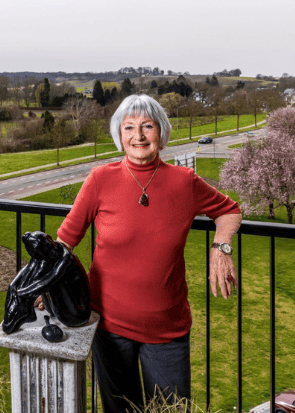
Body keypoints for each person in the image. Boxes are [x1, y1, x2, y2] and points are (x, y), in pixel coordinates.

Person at [40, 94, 241, 412]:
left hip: (167, 329)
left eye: (147, 126)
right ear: (119, 136)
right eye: (129, 127)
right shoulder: (100, 180)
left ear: (160, 132)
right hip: (108, 324)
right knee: (120, 409)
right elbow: (65, 241)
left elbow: (230, 211)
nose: (139, 135)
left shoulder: (184, 182)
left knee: (171, 409)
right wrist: (47, 284)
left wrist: (221, 247)